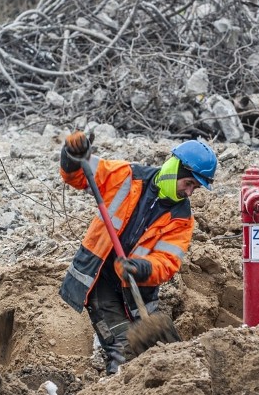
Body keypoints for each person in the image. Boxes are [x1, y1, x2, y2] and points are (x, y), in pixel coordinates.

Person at [58, 132, 218, 374]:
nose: (189, 192)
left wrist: (140, 268)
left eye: (195, 188)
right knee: (123, 350)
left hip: (138, 291)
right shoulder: (127, 176)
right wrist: (72, 154)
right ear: (175, 169)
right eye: (189, 184)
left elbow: (167, 262)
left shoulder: (182, 218)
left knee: (171, 355)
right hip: (100, 282)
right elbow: (80, 173)